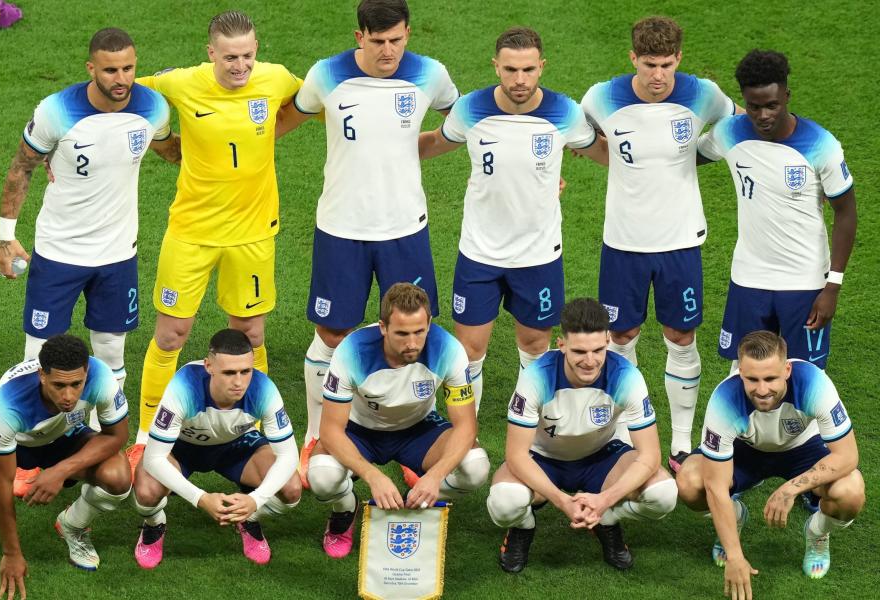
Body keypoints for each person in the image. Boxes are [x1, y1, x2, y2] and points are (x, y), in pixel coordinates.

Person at [282, 0, 460, 485]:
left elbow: (464, 121)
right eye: (378, 41)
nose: (388, 50)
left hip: (405, 227)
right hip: (341, 227)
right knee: (333, 334)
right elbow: (283, 121)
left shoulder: (430, 73)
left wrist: (419, 147)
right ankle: (317, 435)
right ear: (359, 35)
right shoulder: (326, 75)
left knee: (412, 333)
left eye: (397, 40)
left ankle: (408, 434)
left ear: (408, 33)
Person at [130, 10, 302, 469]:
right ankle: (146, 435)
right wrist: (163, 139)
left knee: (251, 332)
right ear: (211, 54)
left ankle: (262, 425)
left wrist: (268, 134)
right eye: (230, 57)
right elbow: (127, 94)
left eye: (247, 56)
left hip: (251, 235)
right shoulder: (183, 83)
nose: (240, 66)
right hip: (191, 232)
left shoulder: (276, 79)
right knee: (171, 334)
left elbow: (311, 103)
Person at [0, 27, 174, 463]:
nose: (121, 78)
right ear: (90, 68)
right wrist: (5, 236)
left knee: (111, 351)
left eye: (129, 68)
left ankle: (97, 441)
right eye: (110, 69)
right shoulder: (57, 110)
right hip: (58, 254)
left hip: (118, 255)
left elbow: (173, 154)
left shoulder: (153, 107)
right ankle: (29, 445)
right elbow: (22, 168)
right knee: (39, 354)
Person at [579, 16, 738, 472]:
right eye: (649, 64)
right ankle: (629, 435)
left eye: (666, 64)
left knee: (680, 336)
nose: (657, 75)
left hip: (680, 242)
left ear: (679, 59)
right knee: (621, 336)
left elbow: (734, 128)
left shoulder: (703, 94)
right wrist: (609, 159)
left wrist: (698, 155)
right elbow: (578, 135)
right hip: (624, 242)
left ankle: (682, 443)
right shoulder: (602, 96)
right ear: (633, 58)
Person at [418, 26, 606, 410]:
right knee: (469, 351)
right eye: (510, 70)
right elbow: (435, 142)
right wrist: (384, 148)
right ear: (495, 67)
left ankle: (532, 427)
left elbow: (603, 152)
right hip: (479, 253)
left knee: (536, 347)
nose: (519, 80)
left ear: (542, 67)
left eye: (528, 70)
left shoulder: (565, 112)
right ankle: (464, 436)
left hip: (538, 255)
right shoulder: (470, 108)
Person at [486, 298, 676, 573]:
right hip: (542, 459)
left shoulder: (626, 376)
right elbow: (516, 455)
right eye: (579, 352)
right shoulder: (536, 376)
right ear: (561, 345)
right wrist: (562, 500)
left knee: (664, 494)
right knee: (504, 502)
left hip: (602, 459)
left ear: (608, 341)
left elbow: (650, 455)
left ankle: (606, 519)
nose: (590, 361)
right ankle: (522, 526)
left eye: (598, 350)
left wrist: (605, 501)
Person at [697, 50, 856, 372]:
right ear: (744, 100)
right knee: (744, 371)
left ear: (786, 95)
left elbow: (846, 213)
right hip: (748, 276)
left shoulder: (821, 145)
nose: (764, 115)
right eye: (754, 106)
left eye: (772, 105)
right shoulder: (730, 132)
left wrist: (832, 286)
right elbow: (680, 156)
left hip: (805, 281)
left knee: (805, 375)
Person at [306, 283, 490, 558]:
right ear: (383, 327)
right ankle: (345, 508)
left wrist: (434, 477)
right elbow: (331, 430)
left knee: (476, 467)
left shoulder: (448, 350)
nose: (412, 343)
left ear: (429, 323)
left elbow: (465, 426)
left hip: (420, 430)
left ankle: (423, 500)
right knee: (321, 476)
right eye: (402, 333)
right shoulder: (351, 351)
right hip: (360, 432)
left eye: (419, 332)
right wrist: (372, 476)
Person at [676, 331, 864, 597]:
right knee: (689, 482)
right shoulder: (724, 400)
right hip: (746, 452)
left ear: (787, 370)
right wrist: (735, 556)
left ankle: (818, 533)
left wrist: (790, 489)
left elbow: (847, 456)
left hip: (803, 450)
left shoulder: (813, 382)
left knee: (851, 491)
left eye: (770, 378)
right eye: (752, 379)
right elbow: (715, 486)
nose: (762, 390)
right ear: (740, 371)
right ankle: (735, 516)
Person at [0, 335, 131, 600]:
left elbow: (117, 436)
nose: (68, 396)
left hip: (62, 434)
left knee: (118, 476)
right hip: (8, 437)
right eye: (59, 385)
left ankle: (73, 524)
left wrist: (61, 470)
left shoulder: (100, 376)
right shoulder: (9, 400)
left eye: (76, 384)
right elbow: (2, 480)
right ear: (42, 375)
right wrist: (12, 553)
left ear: (86, 373)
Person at [131, 329, 299, 567]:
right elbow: (154, 459)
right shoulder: (184, 386)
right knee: (147, 490)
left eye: (246, 371)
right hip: (182, 449)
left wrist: (257, 501)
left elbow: (288, 455)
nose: (239, 382)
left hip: (236, 447)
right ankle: (154, 524)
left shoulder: (263, 388)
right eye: (229, 372)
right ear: (209, 366)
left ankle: (248, 518)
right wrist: (201, 498)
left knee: (291, 489)